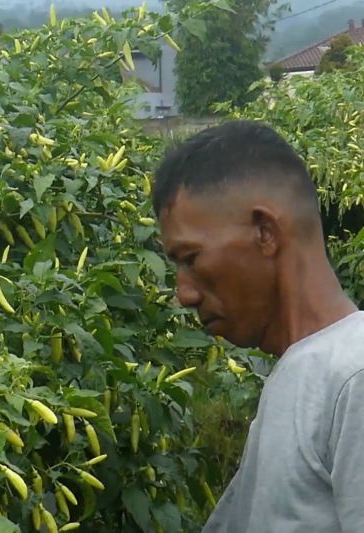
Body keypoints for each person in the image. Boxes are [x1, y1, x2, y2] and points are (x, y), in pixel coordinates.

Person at [151, 119, 364, 532]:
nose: (184, 294)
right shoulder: (307, 373)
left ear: (265, 233)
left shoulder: (353, 378)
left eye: (191, 259)